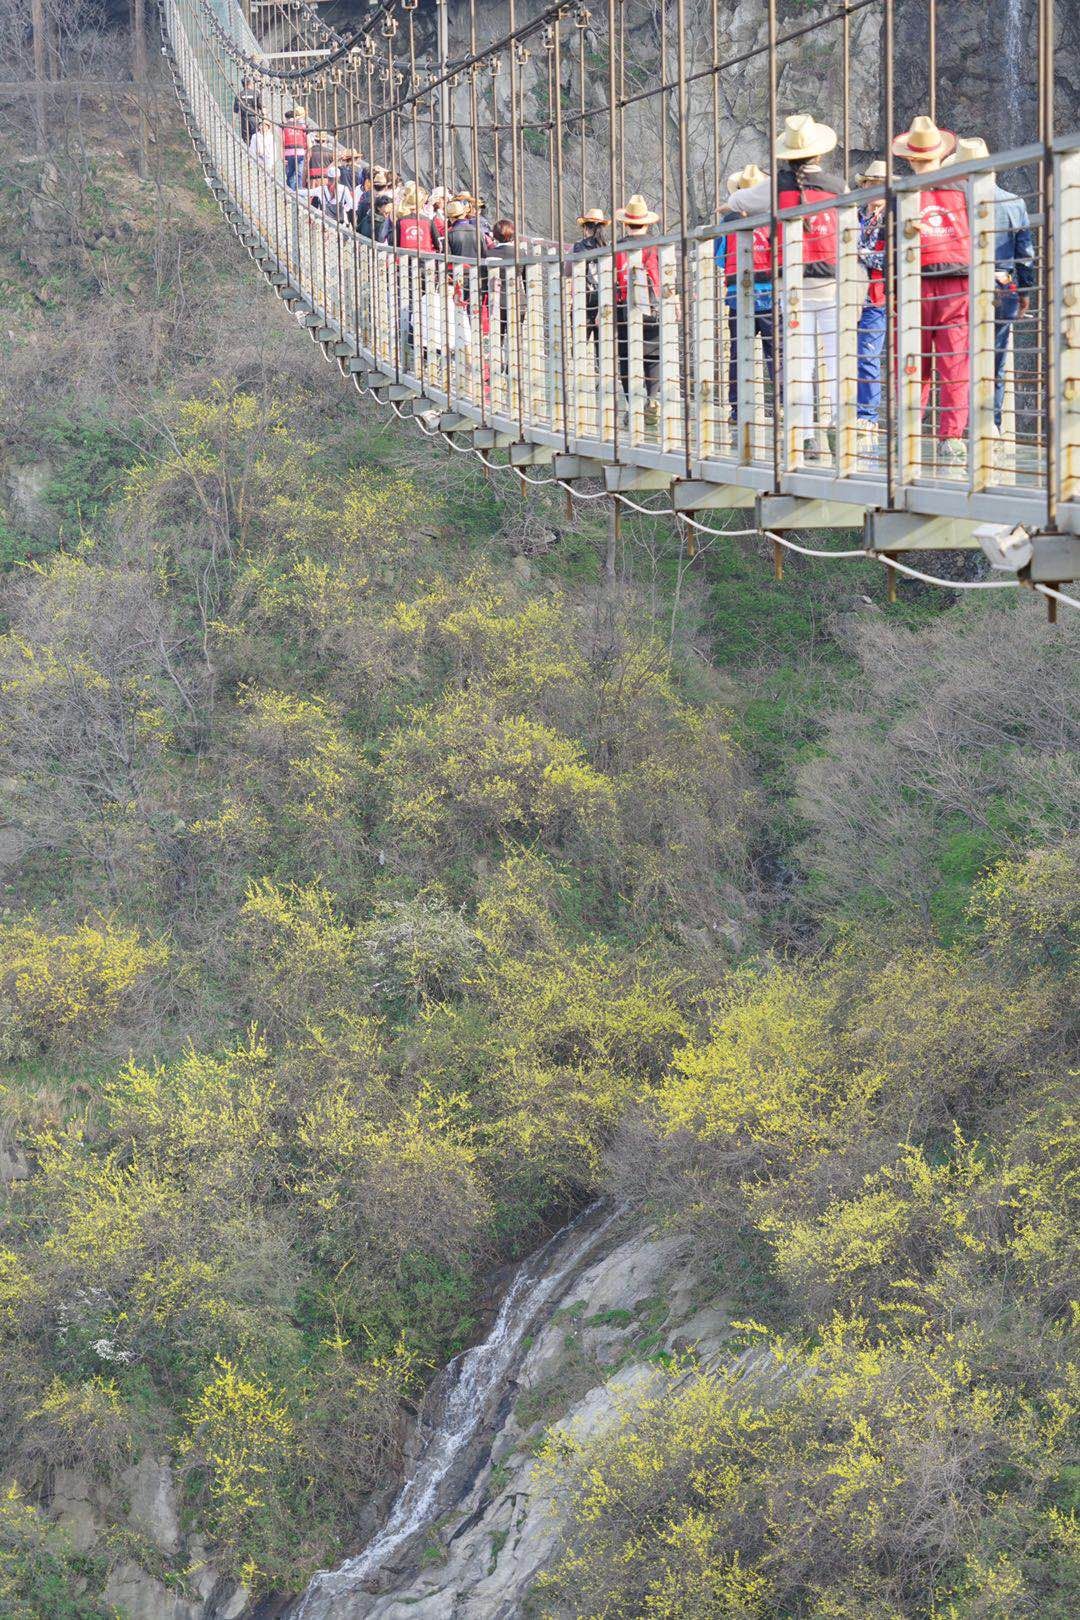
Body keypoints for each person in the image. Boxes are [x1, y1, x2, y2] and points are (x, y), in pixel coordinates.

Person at [730, 114, 846, 459]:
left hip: (792, 288)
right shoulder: (838, 186)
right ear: (819, 154)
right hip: (831, 282)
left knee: (799, 363)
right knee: (840, 356)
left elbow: (740, 202)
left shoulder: (776, 186)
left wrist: (728, 205)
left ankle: (806, 436)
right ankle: (843, 427)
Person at [943, 134, 1035, 435]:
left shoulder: (954, 203)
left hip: (961, 285)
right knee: (995, 359)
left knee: (960, 356)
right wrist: (1024, 293)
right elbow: (1025, 255)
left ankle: (962, 423)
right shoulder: (1014, 202)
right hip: (1003, 285)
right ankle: (990, 426)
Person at [892, 114, 971, 463]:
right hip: (959, 281)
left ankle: (907, 433)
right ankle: (951, 438)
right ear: (941, 152)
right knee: (955, 365)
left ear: (909, 157)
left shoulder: (899, 193)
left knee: (913, 363)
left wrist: (891, 287)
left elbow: (888, 242)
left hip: (914, 283)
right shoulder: (965, 187)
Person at [715, 164, 775, 422]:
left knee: (739, 353)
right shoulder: (774, 215)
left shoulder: (728, 222)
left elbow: (719, 259)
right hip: (771, 292)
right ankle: (783, 404)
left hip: (737, 293)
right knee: (776, 351)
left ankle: (738, 409)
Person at [614, 194, 662, 427]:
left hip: (625, 307)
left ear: (626, 223)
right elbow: (663, 275)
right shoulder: (657, 246)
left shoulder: (617, 248)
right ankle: (652, 399)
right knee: (653, 355)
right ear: (647, 222)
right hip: (653, 307)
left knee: (627, 358)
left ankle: (632, 406)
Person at [854, 159, 887, 449]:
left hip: (876, 295)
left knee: (868, 355)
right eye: (870, 184)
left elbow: (892, 258)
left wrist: (859, 255)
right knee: (846, 356)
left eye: (879, 185)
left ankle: (867, 415)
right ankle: (851, 412)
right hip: (849, 294)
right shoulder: (854, 216)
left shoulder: (893, 217)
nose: (874, 190)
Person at [569, 208, 609, 362]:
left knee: (579, 343)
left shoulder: (578, 247)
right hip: (604, 299)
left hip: (583, 299)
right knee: (603, 347)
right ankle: (602, 381)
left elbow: (567, 271)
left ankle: (580, 378)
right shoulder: (608, 247)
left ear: (586, 228)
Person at [281, 107, 308, 191]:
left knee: (290, 174)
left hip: (288, 153)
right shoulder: (303, 126)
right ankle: (299, 190)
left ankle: (291, 191)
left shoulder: (283, 127)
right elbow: (306, 140)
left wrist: (281, 156)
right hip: (300, 152)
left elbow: (281, 142)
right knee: (300, 173)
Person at [234, 77, 261, 145]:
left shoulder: (239, 95)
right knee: (256, 136)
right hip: (254, 118)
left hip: (244, 119)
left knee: (246, 138)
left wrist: (234, 123)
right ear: (250, 84)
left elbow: (235, 110)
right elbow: (261, 106)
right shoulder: (256, 93)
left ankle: (249, 151)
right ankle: (255, 152)